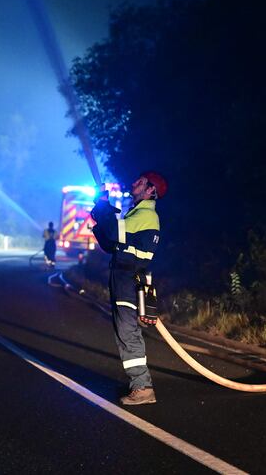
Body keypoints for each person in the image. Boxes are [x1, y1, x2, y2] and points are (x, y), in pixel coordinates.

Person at [91, 171, 167, 405]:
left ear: (150, 191)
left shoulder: (146, 215)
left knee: (127, 332)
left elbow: (116, 232)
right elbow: (111, 243)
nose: (135, 182)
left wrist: (104, 206)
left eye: (141, 182)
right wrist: (99, 216)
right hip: (124, 278)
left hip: (128, 279)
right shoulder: (137, 214)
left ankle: (143, 387)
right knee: (125, 331)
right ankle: (140, 384)